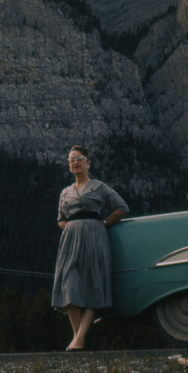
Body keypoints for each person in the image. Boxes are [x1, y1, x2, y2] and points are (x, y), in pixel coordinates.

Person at [51, 145, 129, 351]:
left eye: (79, 159)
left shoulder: (99, 187)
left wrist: (103, 224)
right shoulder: (65, 192)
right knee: (69, 287)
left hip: (95, 238)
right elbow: (61, 219)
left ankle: (79, 340)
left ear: (88, 163)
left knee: (92, 286)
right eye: (71, 160)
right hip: (70, 241)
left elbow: (122, 207)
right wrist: (72, 230)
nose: (75, 162)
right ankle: (79, 337)